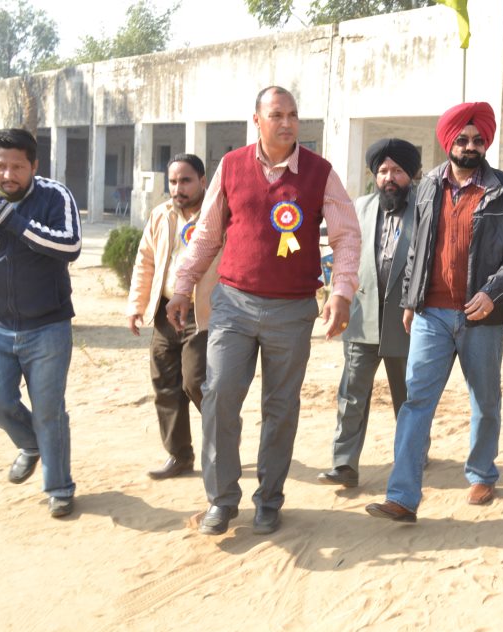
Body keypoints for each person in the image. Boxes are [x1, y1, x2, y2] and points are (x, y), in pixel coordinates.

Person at [165, 86, 361, 535]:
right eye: (276, 115)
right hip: (233, 305)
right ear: (257, 120)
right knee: (219, 395)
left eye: (293, 114)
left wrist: (341, 291)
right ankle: (221, 501)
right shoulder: (232, 166)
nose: (287, 122)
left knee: (280, 407)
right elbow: (207, 234)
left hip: (292, 311)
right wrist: (182, 286)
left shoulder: (320, 173)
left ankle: (269, 500)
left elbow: (346, 236)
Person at [365, 102, 503, 523]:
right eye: (462, 139)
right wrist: (410, 300)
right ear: (448, 142)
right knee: (416, 402)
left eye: (478, 139)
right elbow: (416, 249)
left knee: (485, 400)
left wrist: (492, 294)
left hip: (482, 317)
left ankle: (482, 473)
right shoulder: (426, 188)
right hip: (431, 314)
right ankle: (402, 497)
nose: (470, 146)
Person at [0, 128, 81, 517]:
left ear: (34, 166)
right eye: (0, 166)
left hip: (48, 326)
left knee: (49, 410)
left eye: (17, 167)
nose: (8, 175)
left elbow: (69, 246)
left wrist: (13, 219)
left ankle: (59, 488)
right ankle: (30, 443)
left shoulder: (55, 196)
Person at [317, 139, 420, 489]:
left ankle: (412, 455)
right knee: (351, 394)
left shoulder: (426, 209)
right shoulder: (357, 208)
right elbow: (342, 254)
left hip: (408, 319)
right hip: (363, 316)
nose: (389, 178)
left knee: (408, 396)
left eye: (398, 171)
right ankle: (344, 464)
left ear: (412, 174)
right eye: (383, 171)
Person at [127, 154, 217, 479]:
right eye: (174, 182)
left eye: (186, 181)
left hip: (203, 312)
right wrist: (136, 305)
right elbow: (145, 261)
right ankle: (179, 456)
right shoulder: (161, 215)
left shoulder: (218, 214)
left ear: (203, 181)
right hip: (166, 312)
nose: (178, 188)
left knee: (195, 381)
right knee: (165, 384)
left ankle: (222, 438)